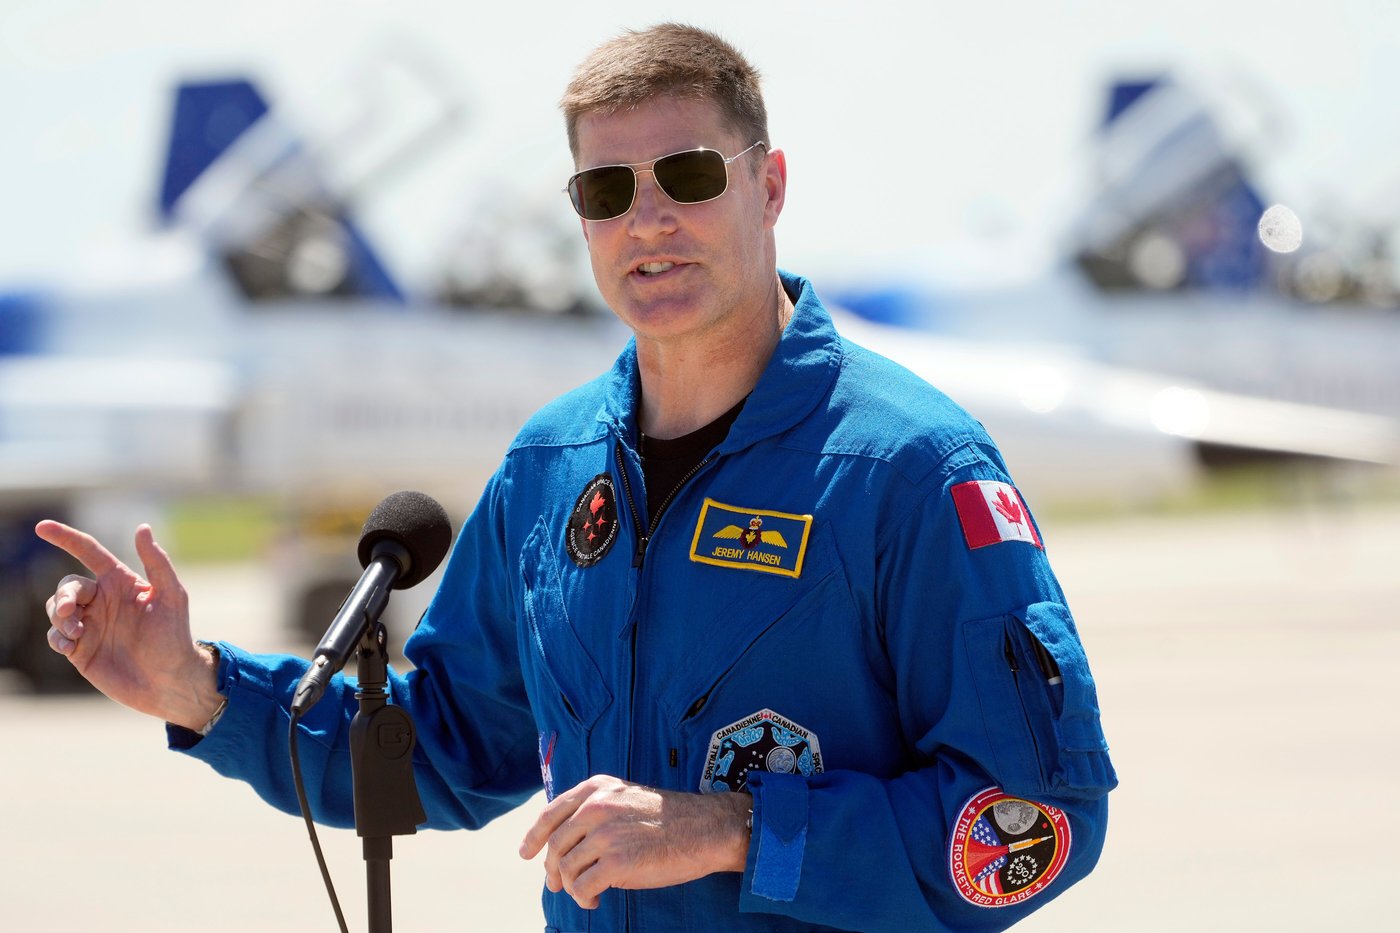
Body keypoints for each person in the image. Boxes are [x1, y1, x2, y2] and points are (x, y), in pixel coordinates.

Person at [38, 23, 1116, 932]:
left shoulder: (908, 469)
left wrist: (734, 832)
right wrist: (199, 689)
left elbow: (1038, 819)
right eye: (606, 191)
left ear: (769, 185)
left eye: (686, 177)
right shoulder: (549, 469)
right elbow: (449, 749)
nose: (646, 221)